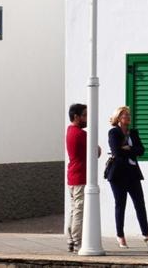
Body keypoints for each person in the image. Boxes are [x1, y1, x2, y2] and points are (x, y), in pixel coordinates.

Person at [105, 106, 148, 248]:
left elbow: (141, 150)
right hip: (118, 174)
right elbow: (116, 152)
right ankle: (120, 236)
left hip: (133, 173)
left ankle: (146, 233)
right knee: (120, 204)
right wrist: (130, 150)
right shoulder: (114, 132)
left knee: (140, 203)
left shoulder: (133, 133)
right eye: (125, 115)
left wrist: (129, 149)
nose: (128, 117)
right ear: (118, 118)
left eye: (129, 115)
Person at [64, 103, 97, 253]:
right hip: (80, 177)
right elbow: (96, 152)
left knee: (74, 209)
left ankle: (70, 239)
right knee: (79, 210)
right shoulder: (81, 134)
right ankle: (77, 241)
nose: (87, 118)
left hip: (72, 175)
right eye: (84, 115)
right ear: (76, 117)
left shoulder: (69, 130)